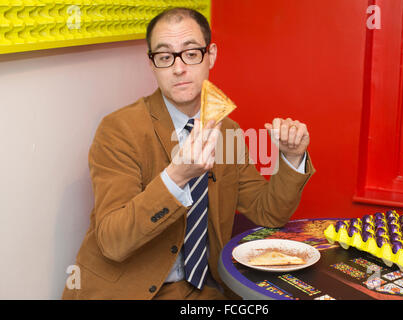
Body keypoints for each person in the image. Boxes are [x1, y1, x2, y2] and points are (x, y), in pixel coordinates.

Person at [62, 7, 315, 300]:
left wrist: (292, 158)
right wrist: (176, 177)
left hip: (201, 289)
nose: (179, 68)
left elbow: (268, 211)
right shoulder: (118, 130)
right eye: (165, 56)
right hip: (126, 291)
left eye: (191, 53)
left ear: (211, 56)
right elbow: (113, 241)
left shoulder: (227, 130)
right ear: (152, 64)